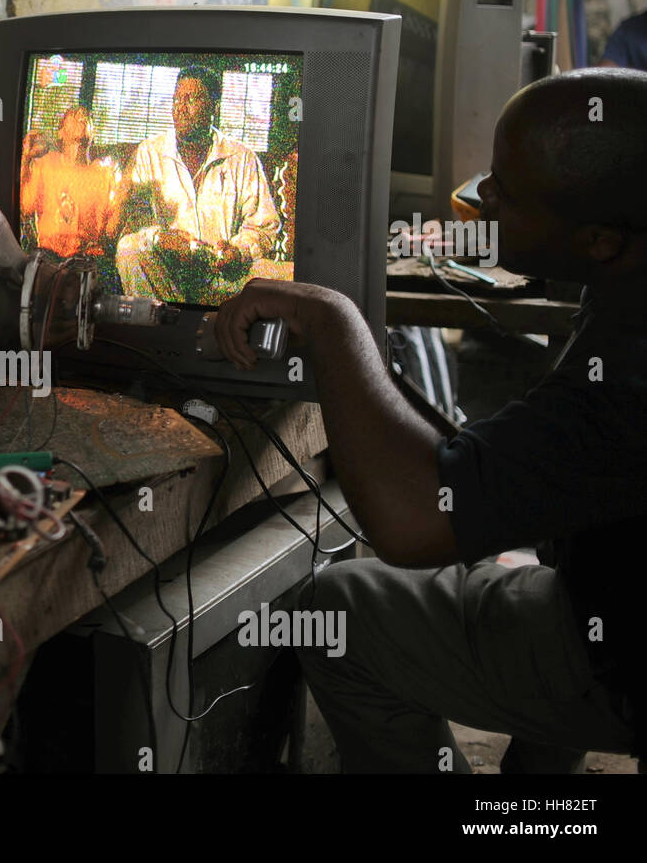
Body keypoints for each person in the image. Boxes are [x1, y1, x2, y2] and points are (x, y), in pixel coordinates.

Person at [213, 67, 647, 772]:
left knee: (339, 612)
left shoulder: (628, 374)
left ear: (599, 239)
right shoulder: (625, 269)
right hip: (617, 596)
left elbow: (413, 523)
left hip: (625, 655)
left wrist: (332, 320)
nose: (481, 199)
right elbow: (581, 493)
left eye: (506, 194)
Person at [116, 66, 280, 304]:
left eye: (191, 99)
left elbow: (263, 226)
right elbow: (132, 221)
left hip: (228, 276)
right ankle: (157, 331)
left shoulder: (242, 158)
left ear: (214, 106)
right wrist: (160, 238)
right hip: (170, 273)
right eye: (176, 100)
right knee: (129, 248)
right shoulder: (149, 152)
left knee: (291, 276)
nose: (180, 109)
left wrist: (238, 251)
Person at [19, 105, 123, 258]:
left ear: (92, 135)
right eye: (73, 114)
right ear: (60, 133)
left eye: (87, 116)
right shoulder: (46, 164)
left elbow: (111, 230)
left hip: (89, 260)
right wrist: (25, 158)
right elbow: (25, 207)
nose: (81, 114)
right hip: (49, 256)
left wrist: (124, 190)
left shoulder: (106, 173)